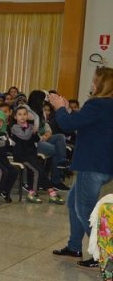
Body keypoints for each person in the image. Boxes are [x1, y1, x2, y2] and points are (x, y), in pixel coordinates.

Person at [50, 67, 113, 266]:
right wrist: (68, 111)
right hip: (102, 164)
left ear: (102, 84)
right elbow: (83, 122)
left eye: (95, 80)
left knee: (85, 210)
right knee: (72, 203)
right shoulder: (107, 105)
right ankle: (74, 246)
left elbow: (68, 125)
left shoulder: (97, 104)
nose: (92, 83)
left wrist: (59, 108)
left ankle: (103, 254)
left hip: (92, 164)